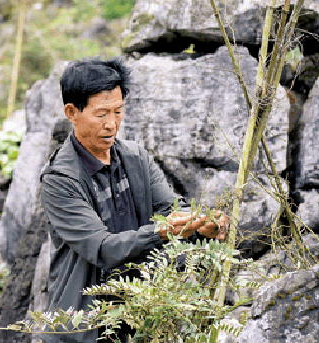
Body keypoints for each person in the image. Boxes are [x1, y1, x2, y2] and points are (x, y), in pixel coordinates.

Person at [39, 57, 229, 343]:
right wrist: (163, 230)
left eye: (118, 111)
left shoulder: (135, 158)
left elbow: (171, 209)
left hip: (142, 316)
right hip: (83, 327)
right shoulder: (60, 179)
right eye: (101, 114)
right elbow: (102, 249)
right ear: (72, 112)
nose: (112, 124)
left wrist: (202, 222)